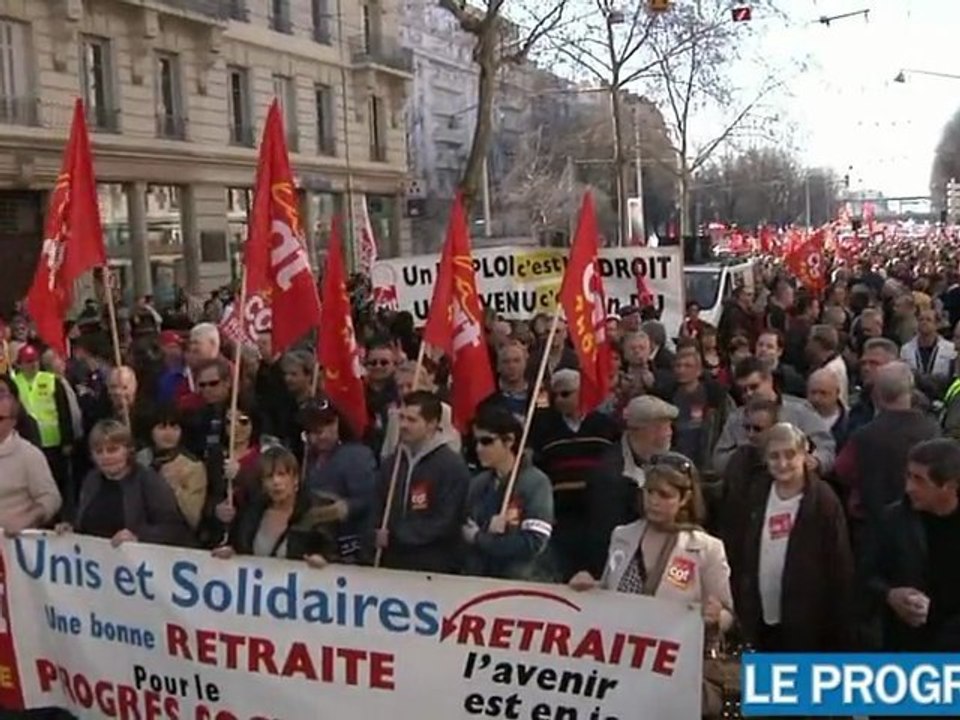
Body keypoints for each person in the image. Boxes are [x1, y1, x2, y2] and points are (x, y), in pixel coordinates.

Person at [568, 459, 733, 637]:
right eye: (649, 492)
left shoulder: (707, 549)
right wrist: (588, 588)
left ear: (685, 498)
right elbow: (609, 592)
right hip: (619, 646)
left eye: (664, 495)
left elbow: (727, 614)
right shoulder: (622, 536)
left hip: (673, 652)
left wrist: (716, 617)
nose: (653, 501)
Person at [730, 423, 855, 652]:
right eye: (774, 456)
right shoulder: (757, 492)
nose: (783, 463)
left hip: (808, 622)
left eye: (790, 455)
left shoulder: (824, 500)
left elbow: (840, 566)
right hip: (760, 616)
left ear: (804, 454)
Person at [863, 439, 960, 651]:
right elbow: (865, 575)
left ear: (949, 486)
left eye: (919, 480)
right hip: (906, 646)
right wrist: (890, 595)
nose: (909, 487)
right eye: (908, 476)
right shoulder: (892, 520)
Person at [375, 390, 471, 573]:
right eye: (401, 418)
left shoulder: (450, 465)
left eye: (412, 420)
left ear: (432, 424)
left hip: (434, 565)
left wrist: (397, 535)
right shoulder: (393, 462)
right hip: (393, 563)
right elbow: (378, 503)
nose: (403, 425)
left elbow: (446, 520)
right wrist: (375, 532)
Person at [65, 419, 193, 547]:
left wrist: (138, 536)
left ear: (127, 450)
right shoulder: (91, 479)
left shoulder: (147, 480)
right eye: (99, 451)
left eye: (112, 450)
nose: (106, 456)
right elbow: (81, 521)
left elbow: (175, 529)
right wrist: (70, 528)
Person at [462, 403, 554, 580]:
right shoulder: (478, 484)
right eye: (476, 442)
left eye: (487, 441)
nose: (479, 448)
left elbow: (534, 542)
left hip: (522, 582)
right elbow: (465, 531)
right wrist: (486, 530)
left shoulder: (536, 483)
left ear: (509, 440)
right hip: (480, 581)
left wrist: (481, 538)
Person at [214, 446, 342, 567]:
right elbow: (236, 545)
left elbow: (333, 554)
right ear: (263, 483)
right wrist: (230, 551)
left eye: (281, 474)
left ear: (295, 479)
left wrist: (322, 561)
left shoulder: (316, 514)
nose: (276, 482)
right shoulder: (251, 512)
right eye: (269, 476)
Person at [301, 400, 378, 563]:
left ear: (337, 422)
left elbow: (371, 498)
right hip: (316, 546)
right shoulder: (308, 459)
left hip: (350, 548)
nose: (322, 433)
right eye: (313, 429)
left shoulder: (356, 455)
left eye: (328, 424)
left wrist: (344, 508)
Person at [137, 405, 207, 533]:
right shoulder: (140, 459)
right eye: (162, 427)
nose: (168, 433)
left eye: (174, 427)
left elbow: (193, 518)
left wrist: (176, 488)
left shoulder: (193, 466)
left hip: (175, 533)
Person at [0, 392, 61, 532]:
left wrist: (27, 519)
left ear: (13, 422)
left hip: (11, 544)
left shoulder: (29, 455)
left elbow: (51, 497)